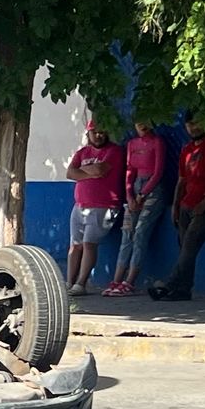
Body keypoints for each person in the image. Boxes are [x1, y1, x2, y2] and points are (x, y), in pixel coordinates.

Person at [151, 111, 205, 302]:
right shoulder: (187, 149)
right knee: (185, 248)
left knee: (190, 242)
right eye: (189, 124)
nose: (193, 128)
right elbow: (181, 180)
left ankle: (170, 284)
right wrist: (176, 205)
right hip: (186, 205)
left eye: (197, 123)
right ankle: (183, 290)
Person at [103, 121, 168, 297]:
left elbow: (158, 172)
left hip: (153, 190)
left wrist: (142, 194)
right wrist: (130, 195)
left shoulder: (157, 142)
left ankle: (129, 282)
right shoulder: (132, 144)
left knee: (140, 232)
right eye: (139, 122)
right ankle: (116, 280)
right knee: (127, 233)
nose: (142, 126)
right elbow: (130, 170)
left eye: (146, 121)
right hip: (135, 188)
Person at [64, 119, 125, 296]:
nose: (98, 135)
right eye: (94, 132)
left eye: (102, 132)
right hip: (80, 206)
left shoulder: (113, 151)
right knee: (75, 245)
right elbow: (70, 173)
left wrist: (82, 170)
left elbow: (100, 170)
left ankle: (81, 283)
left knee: (89, 244)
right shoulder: (83, 152)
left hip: (103, 206)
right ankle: (69, 282)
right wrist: (91, 171)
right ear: (88, 133)